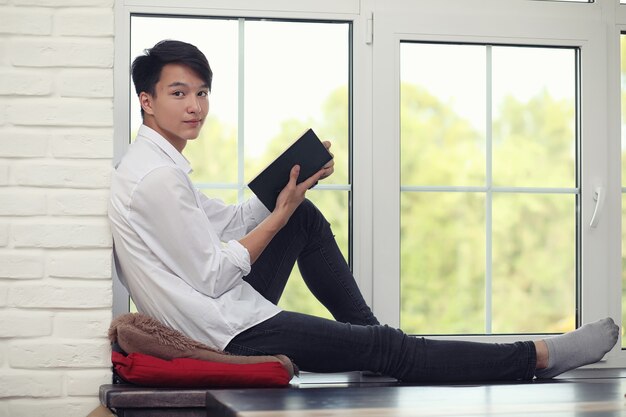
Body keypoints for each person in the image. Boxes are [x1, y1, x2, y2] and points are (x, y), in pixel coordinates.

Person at [108, 39, 619, 383]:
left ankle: (369, 342)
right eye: (178, 93)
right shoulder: (156, 179)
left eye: (201, 93)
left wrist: (286, 188)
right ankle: (539, 357)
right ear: (146, 101)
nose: (194, 105)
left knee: (305, 220)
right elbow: (213, 275)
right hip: (225, 330)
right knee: (388, 344)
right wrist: (279, 216)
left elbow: (229, 224)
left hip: (224, 310)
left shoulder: (160, 165)